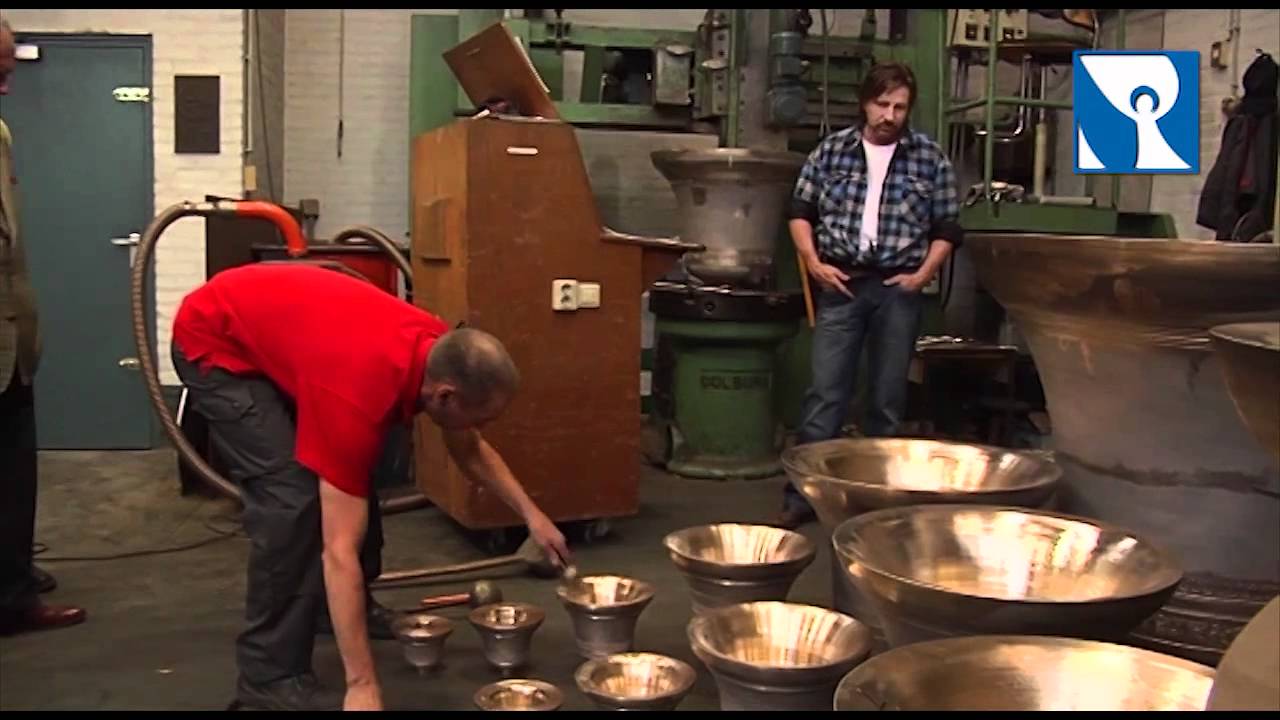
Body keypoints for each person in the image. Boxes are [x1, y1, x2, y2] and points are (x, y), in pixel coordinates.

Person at [170, 262, 572, 711]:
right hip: (216, 342)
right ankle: (268, 673)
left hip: (287, 337)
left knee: (357, 467)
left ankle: (331, 610)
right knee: (293, 499)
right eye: (480, 418)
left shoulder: (436, 351)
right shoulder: (357, 393)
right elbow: (337, 551)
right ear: (444, 396)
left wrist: (532, 517)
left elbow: (470, 450)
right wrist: (362, 684)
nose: (480, 429)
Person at [776, 62, 963, 528]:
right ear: (865, 103)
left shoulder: (930, 159)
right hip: (841, 285)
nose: (890, 115)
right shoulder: (832, 152)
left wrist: (922, 275)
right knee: (825, 396)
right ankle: (802, 499)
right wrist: (814, 262)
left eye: (900, 107)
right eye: (883, 104)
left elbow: (947, 228)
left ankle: (878, 507)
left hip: (899, 289)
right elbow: (800, 211)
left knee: (885, 398)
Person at [0, 17, 88, 637]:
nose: (7, 86)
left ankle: (12, 580)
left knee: (12, 472)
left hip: (10, 344)